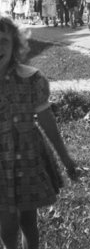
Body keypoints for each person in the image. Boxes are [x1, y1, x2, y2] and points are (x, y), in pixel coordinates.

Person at [0, 14, 78, 249]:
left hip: (27, 158)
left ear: (15, 45)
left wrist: (65, 158)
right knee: (6, 222)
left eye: (3, 41)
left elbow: (46, 120)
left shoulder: (31, 79)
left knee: (28, 219)